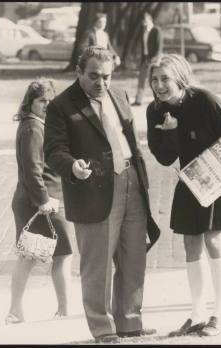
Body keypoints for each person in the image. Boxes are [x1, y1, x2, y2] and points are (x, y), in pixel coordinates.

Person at [43, 46, 160, 343]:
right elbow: (54, 150)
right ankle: (102, 328)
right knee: (98, 264)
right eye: (93, 76)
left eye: (107, 76)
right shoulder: (61, 105)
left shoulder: (119, 95)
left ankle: (130, 322)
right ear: (78, 72)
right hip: (93, 188)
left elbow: (128, 138)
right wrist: (72, 166)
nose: (101, 83)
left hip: (132, 180)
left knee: (134, 256)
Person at [146, 54, 221, 337]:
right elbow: (165, 157)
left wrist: (198, 151)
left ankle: (220, 314)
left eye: (165, 78)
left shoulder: (206, 100)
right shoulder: (154, 111)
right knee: (190, 245)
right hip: (190, 182)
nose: (159, 85)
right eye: (154, 80)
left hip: (218, 178)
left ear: (179, 77)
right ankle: (197, 315)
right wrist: (171, 133)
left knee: (214, 241)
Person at [6, 79, 74, 324]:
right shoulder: (34, 128)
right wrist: (44, 200)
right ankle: (63, 311)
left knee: (31, 256)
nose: (46, 104)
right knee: (61, 255)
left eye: (49, 100)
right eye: (41, 100)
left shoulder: (33, 124)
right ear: (30, 102)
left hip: (35, 200)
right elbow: (33, 169)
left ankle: (16, 311)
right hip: (44, 202)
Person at [132, 12, 163, 106]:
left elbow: (159, 47)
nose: (144, 23)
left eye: (145, 21)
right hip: (145, 59)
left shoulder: (156, 30)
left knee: (153, 80)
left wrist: (155, 59)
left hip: (154, 59)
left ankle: (159, 100)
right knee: (141, 79)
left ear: (150, 20)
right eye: (143, 22)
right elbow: (144, 48)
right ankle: (138, 100)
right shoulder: (143, 32)